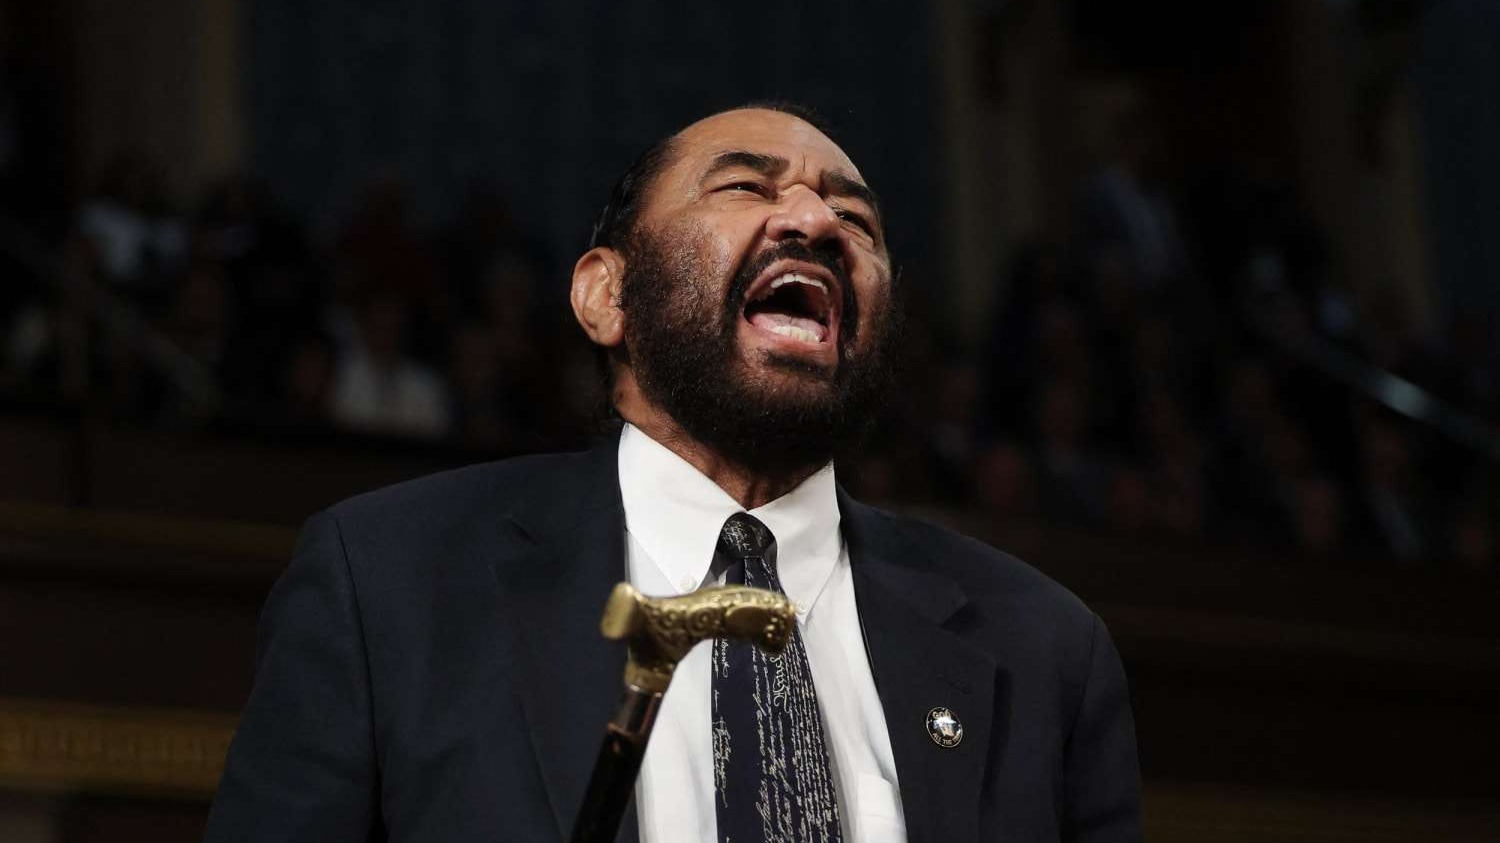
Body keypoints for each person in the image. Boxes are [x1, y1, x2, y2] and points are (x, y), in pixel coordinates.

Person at [205, 103, 1141, 843]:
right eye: (744, 186)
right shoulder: (389, 584)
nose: (816, 219)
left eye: (857, 219)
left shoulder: (1045, 648)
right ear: (605, 295)